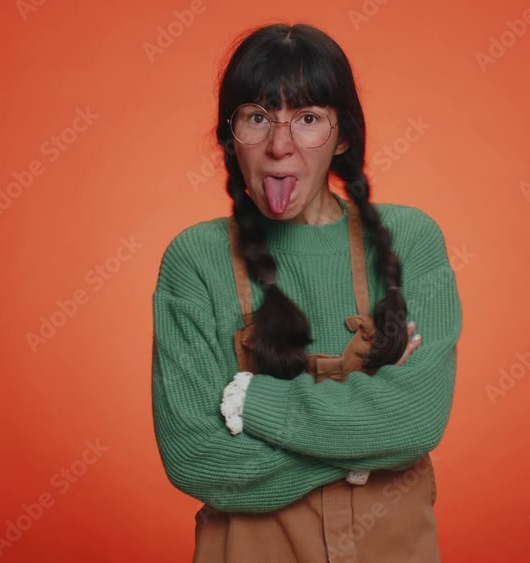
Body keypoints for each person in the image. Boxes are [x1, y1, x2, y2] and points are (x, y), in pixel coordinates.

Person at [151, 22, 462, 562]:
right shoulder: (194, 260)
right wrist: (365, 451)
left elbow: (418, 421)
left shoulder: (412, 240)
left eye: (308, 119)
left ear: (342, 137)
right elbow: (195, 457)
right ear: (231, 134)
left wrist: (252, 401)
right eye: (257, 117)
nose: (279, 145)